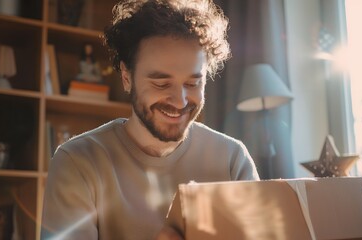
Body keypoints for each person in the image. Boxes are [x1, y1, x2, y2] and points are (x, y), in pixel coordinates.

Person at [41, 0, 260, 239]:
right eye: (161, 83)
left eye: (192, 83)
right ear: (127, 78)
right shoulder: (77, 162)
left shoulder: (232, 159)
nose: (180, 101)